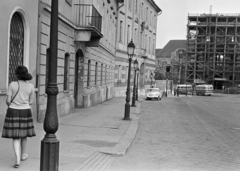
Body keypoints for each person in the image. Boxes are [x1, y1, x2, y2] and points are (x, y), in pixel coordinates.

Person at [2, 66, 36, 168]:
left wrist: (13, 105)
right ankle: (22, 155)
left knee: (15, 136)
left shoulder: (12, 84)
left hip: (13, 111)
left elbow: (8, 100)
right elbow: (31, 102)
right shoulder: (31, 86)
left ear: (17, 74)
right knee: (24, 135)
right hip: (25, 111)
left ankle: (17, 160)